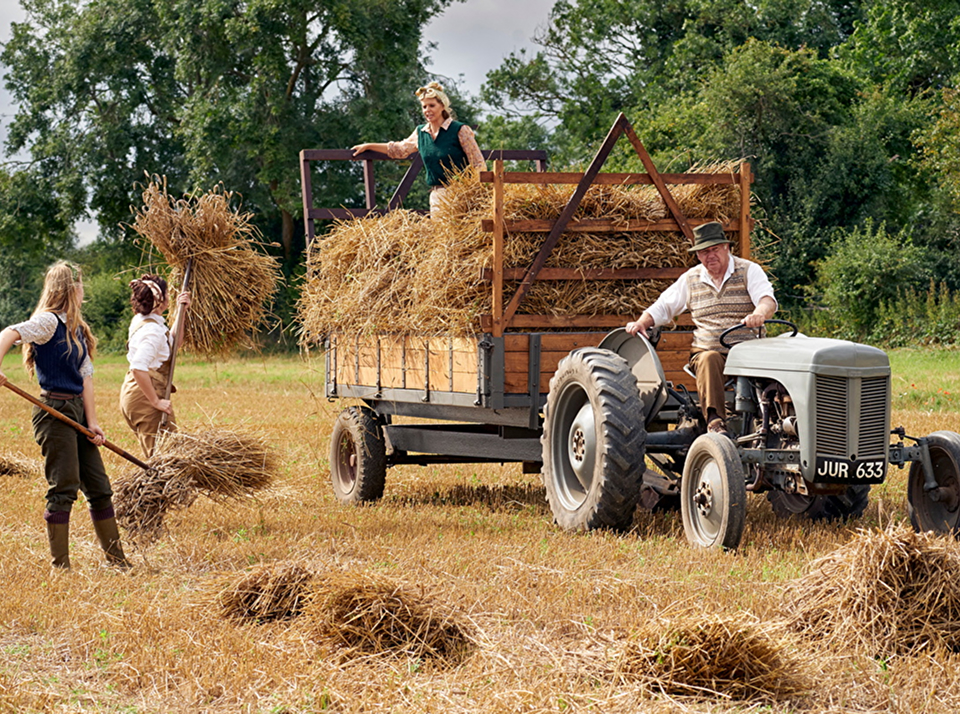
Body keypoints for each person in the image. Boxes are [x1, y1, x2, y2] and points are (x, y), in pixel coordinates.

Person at [0, 261, 129, 569]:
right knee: (64, 486)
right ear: (70, 289)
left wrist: (93, 422)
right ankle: (61, 567)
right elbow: (9, 332)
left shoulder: (77, 329)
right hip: (53, 412)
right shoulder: (47, 323)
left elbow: (86, 378)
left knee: (99, 486)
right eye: (80, 284)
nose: (84, 290)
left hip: (77, 413)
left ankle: (118, 562)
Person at [626, 222, 777, 435]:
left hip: (748, 353)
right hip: (708, 352)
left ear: (726, 247)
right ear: (698, 256)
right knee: (709, 358)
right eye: (704, 252)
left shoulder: (749, 271)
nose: (710, 256)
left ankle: (773, 421)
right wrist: (642, 322)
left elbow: (767, 299)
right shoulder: (691, 279)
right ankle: (715, 422)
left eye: (714, 249)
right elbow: (663, 306)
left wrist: (759, 313)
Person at [351, 81, 486, 213]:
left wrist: (475, 194)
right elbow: (399, 149)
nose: (427, 110)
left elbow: (478, 163)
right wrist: (369, 146)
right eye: (424, 107)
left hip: (462, 195)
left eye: (432, 105)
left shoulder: (460, 130)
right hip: (438, 197)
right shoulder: (421, 133)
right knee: (440, 234)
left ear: (442, 106)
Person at [120, 274, 191, 457]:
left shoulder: (145, 321)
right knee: (164, 459)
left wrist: (181, 312)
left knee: (165, 454)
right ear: (160, 300)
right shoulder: (152, 331)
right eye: (167, 293)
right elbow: (138, 367)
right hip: (145, 397)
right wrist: (155, 401)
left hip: (136, 392)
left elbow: (173, 343)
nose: (170, 296)